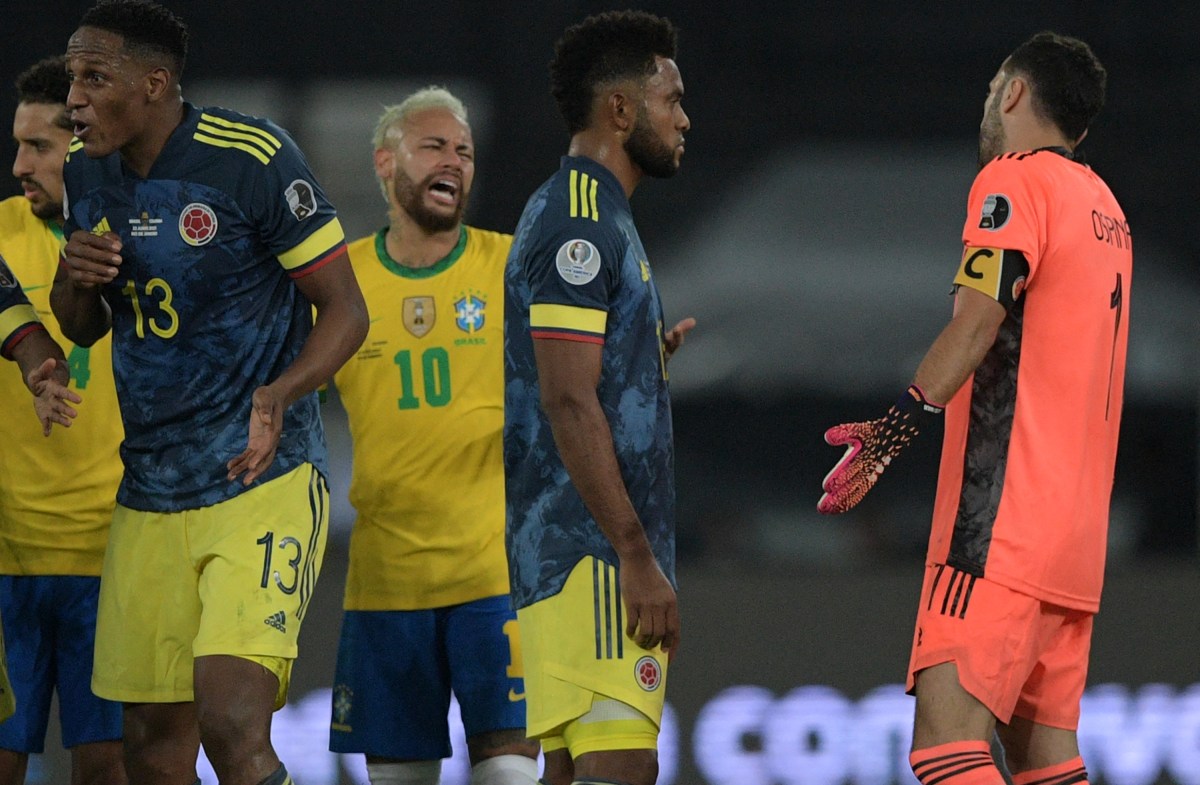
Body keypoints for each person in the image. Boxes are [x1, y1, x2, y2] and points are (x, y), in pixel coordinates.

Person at [52, 1, 369, 784]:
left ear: (155, 83)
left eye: (95, 77)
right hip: (151, 493)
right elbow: (82, 326)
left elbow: (347, 309)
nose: (74, 99)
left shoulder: (252, 158)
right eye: (71, 77)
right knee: (153, 747)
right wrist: (73, 279)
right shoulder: (86, 171)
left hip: (258, 477)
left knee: (231, 719)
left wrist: (281, 395)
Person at [818, 32, 1129, 785]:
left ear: (1016, 93)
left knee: (944, 747)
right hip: (1076, 540)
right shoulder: (1106, 208)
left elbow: (978, 320)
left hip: (1002, 527)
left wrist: (891, 433)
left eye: (995, 84)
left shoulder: (1012, 180)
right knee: (1044, 760)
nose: (989, 99)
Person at [327, 87, 539, 785]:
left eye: (465, 151)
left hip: (494, 574)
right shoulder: (340, 281)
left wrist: (641, 352)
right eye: (435, 146)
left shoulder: (511, 266)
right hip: (385, 580)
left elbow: (583, 359)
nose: (455, 159)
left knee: (509, 770)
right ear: (387, 163)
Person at [504, 11, 695, 785]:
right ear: (620, 110)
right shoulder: (580, 220)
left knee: (570, 772)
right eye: (670, 99)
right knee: (621, 769)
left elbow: (580, 382)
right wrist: (635, 554)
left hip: (573, 556)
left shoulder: (594, 212)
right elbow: (567, 402)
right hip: (589, 561)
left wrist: (640, 365)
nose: (684, 118)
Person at [0, 55, 125, 785]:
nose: (19, 164)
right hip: (7, 556)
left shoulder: (130, 239)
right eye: (16, 144)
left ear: (77, 146)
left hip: (109, 556)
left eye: (38, 146)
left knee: (108, 765)